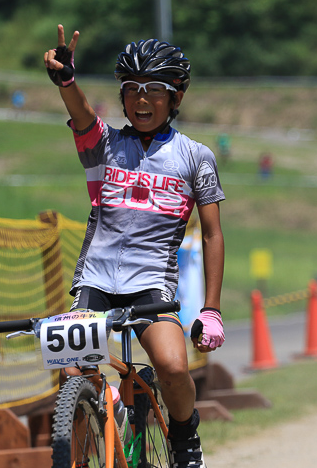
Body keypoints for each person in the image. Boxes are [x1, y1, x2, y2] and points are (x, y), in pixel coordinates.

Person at [44, 25, 225, 468]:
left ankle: (184, 438)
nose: (141, 100)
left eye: (154, 90)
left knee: (173, 365)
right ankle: (87, 448)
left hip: (151, 284)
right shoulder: (105, 145)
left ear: (175, 98)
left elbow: (213, 233)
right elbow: (83, 114)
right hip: (96, 279)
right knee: (72, 372)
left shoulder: (195, 156)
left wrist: (211, 308)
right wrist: (67, 80)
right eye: (131, 90)